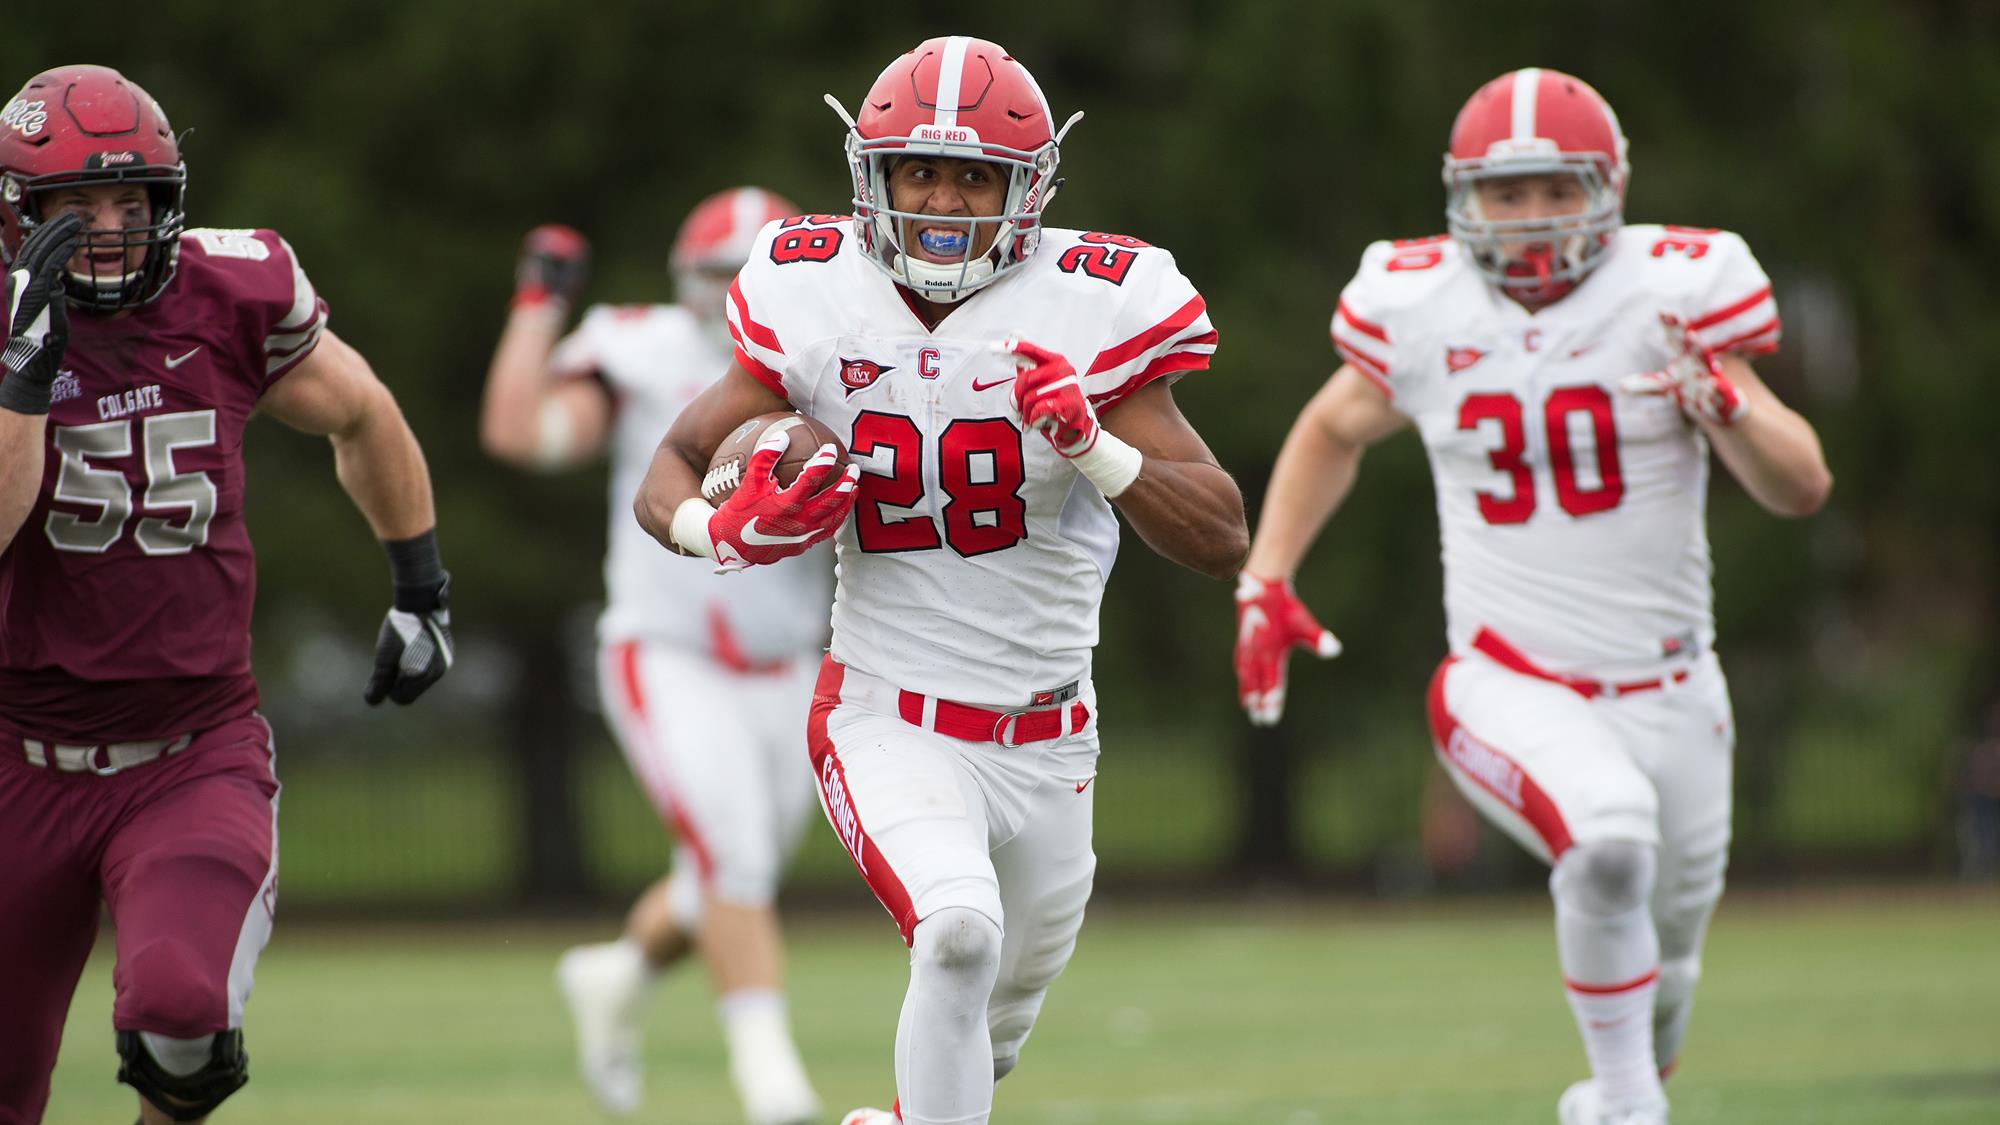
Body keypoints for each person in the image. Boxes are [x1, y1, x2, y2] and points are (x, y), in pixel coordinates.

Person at [632, 35, 1246, 1125]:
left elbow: (1220, 535)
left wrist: (1094, 441)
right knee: (957, 936)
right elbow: (669, 470)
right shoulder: (810, 285)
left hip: (1052, 737)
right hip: (885, 712)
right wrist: (718, 532)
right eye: (921, 171)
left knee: (990, 1032)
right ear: (873, 179)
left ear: (1030, 188)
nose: (946, 201)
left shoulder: (1094, 301)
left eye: (976, 176)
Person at [1232, 68, 1832, 1125]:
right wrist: (1267, 573)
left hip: (1675, 687)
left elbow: (1802, 487)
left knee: (1669, 969)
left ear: (1607, 187)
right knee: (1604, 841)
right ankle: (1626, 1108)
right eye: (1504, 194)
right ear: (1462, 197)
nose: (1529, 217)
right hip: (1506, 676)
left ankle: (1609, 1094)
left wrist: (1728, 404)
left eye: (1554, 188)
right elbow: (1332, 426)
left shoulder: (1672, 293)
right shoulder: (1421, 306)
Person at [0, 66, 453, 1125]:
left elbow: (362, 413)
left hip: (187, 749)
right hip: (14, 748)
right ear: (19, 214)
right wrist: (23, 372)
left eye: (132, 203)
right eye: (76, 208)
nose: (110, 231)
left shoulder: (229, 291)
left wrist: (419, 586)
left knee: (183, 1021)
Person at [478, 187, 827, 1125]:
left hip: (789, 663)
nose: (727, 302)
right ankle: (770, 1080)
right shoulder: (647, 353)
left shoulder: (840, 364)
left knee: (712, 877)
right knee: (734, 857)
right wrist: (536, 307)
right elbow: (525, 432)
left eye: (748, 281)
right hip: (668, 650)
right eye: (715, 279)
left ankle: (617, 971)